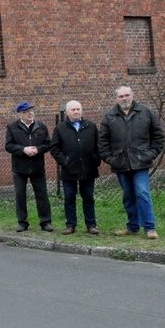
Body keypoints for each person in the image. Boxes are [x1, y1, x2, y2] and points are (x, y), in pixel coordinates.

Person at [99, 86, 165, 239]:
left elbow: (158, 136)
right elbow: (103, 142)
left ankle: (150, 227)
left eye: (127, 95)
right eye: (121, 96)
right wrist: (110, 159)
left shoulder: (146, 112)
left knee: (142, 193)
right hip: (120, 163)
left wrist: (150, 154)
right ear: (116, 99)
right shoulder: (110, 116)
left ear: (132, 96)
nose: (124, 98)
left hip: (141, 163)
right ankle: (132, 226)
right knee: (128, 196)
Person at [50, 100, 101, 235]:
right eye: (73, 110)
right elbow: (54, 148)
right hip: (69, 170)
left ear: (82, 111)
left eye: (78, 109)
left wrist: (95, 160)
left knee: (88, 197)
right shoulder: (60, 128)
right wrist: (64, 162)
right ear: (67, 112)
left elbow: (99, 145)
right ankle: (70, 225)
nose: (76, 112)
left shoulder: (91, 126)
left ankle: (91, 225)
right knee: (69, 198)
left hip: (88, 169)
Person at [5, 101, 53, 232]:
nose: (30, 113)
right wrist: (23, 149)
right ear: (20, 114)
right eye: (26, 112)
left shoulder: (41, 126)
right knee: (20, 195)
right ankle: (22, 222)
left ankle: (45, 222)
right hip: (20, 168)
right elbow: (8, 145)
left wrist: (37, 149)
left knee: (42, 195)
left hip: (37, 167)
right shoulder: (12, 127)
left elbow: (48, 144)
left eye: (31, 111)